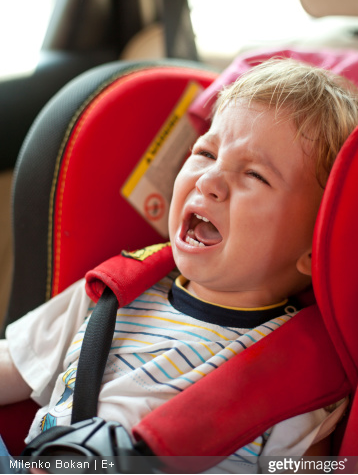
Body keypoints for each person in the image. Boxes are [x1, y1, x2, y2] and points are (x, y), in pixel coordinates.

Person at [1, 58, 358, 472]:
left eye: (255, 175)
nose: (209, 180)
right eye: (205, 152)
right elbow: (16, 364)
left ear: (317, 246)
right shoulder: (115, 290)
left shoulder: (299, 373)